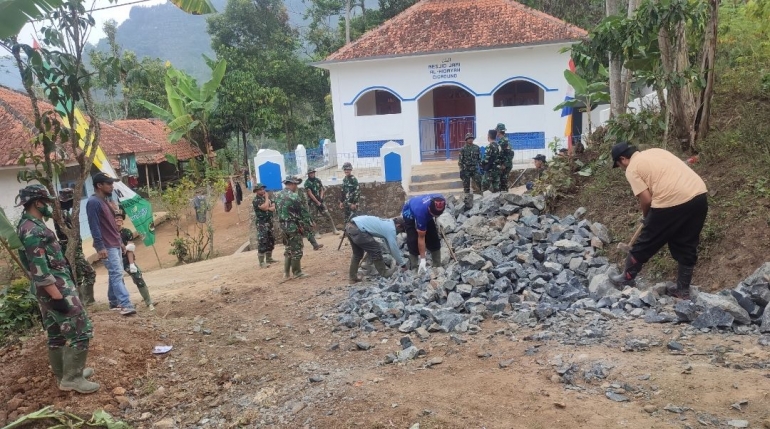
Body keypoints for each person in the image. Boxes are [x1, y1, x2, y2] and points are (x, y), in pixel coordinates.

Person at [16, 184, 100, 394]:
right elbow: (39, 268)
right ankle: (73, 378)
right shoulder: (32, 229)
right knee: (81, 330)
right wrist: (58, 296)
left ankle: (63, 373)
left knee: (55, 333)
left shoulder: (27, 224)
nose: (50, 206)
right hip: (55, 287)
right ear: (37, 203)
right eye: (46, 202)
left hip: (48, 289)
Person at [608, 142, 708, 299]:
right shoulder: (656, 151)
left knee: (646, 241)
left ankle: (626, 279)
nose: (622, 168)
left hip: (671, 200)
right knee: (686, 242)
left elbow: (646, 199)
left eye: (619, 165)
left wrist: (647, 217)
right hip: (699, 195)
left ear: (623, 159)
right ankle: (682, 290)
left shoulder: (632, 168)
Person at [85, 172, 136, 315]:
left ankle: (114, 302)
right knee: (116, 273)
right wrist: (100, 246)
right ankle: (125, 304)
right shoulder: (93, 202)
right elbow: (94, 226)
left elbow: (111, 225)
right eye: (109, 184)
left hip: (114, 243)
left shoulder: (105, 201)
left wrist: (120, 242)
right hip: (107, 245)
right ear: (99, 185)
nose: (112, 187)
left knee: (115, 273)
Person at [54, 188, 96, 305]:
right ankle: (85, 302)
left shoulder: (62, 213)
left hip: (73, 248)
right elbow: (69, 233)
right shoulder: (62, 214)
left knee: (80, 276)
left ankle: (85, 301)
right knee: (86, 274)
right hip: (71, 249)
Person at [346, 216, 407, 283]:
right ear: (398, 225)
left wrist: (397, 259)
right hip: (358, 229)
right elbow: (393, 248)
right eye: (401, 230)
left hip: (350, 226)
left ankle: (352, 278)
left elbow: (390, 247)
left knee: (357, 254)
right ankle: (384, 273)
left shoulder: (387, 223)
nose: (398, 233)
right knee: (376, 249)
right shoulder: (391, 229)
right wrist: (403, 264)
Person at [115, 212, 154, 310]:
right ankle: (121, 303)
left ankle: (149, 302)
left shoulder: (127, 232)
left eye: (120, 218)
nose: (118, 219)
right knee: (118, 282)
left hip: (126, 260)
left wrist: (131, 264)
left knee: (138, 277)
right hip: (115, 261)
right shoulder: (109, 233)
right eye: (116, 218)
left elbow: (130, 249)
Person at [275, 176, 312, 279]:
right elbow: (302, 212)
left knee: (288, 248)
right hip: (293, 227)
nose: (296, 186)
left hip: (283, 226)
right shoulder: (294, 197)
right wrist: (309, 222)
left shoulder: (277, 195)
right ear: (291, 184)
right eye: (295, 184)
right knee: (297, 249)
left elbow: (276, 211)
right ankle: (297, 272)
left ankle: (286, 273)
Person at [402, 194, 446, 274]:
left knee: (433, 236)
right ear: (429, 209)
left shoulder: (440, 199)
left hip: (423, 207)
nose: (435, 216)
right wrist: (423, 259)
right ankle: (415, 267)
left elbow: (436, 211)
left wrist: (437, 218)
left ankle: (437, 265)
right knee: (413, 239)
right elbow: (421, 238)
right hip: (409, 210)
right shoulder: (421, 213)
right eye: (434, 215)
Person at [304, 167, 339, 235]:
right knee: (314, 218)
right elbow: (310, 193)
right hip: (312, 203)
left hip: (320, 201)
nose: (312, 174)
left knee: (328, 215)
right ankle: (316, 233)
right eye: (310, 173)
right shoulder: (307, 183)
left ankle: (334, 229)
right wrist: (317, 202)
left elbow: (321, 189)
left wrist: (321, 198)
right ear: (308, 174)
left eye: (313, 172)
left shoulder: (318, 180)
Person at [252, 183, 278, 268]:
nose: (262, 190)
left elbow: (273, 207)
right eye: (260, 189)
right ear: (256, 191)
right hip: (261, 223)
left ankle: (269, 258)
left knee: (271, 239)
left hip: (269, 222)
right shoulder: (256, 200)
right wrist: (267, 199)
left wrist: (268, 207)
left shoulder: (268, 198)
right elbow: (264, 207)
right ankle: (261, 262)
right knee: (262, 241)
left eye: (263, 189)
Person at [457, 133, 481, 209]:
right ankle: (467, 202)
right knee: (466, 187)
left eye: (471, 138)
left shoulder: (476, 148)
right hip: (466, 170)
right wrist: (461, 170)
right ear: (466, 140)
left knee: (480, 182)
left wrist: (481, 167)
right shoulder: (463, 149)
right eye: (469, 138)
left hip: (474, 169)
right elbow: (460, 161)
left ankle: (482, 197)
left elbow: (479, 159)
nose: (470, 139)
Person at [496, 123, 514, 192]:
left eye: (497, 131)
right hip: (505, 165)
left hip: (505, 166)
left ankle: (504, 198)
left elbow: (511, 153)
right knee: (503, 182)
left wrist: (504, 164)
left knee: (503, 183)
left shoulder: (503, 141)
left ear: (499, 131)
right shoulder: (504, 140)